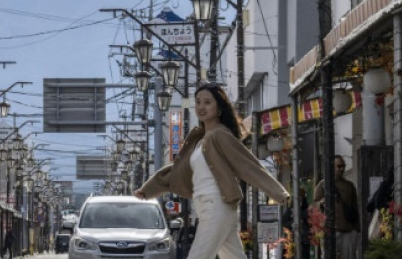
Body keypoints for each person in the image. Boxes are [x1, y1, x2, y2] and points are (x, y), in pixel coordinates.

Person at [134, 83, 290, 258]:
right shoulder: (200, 140)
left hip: (216, 205)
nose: (201, 107)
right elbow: (178, 171)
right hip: (208, 206)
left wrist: (279, 193)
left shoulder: (220, 134)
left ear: (219, 107)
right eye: (198, 102)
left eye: (207, 102)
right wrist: (148, 190)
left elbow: (248, 165)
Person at [313, 156, 360, 258]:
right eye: (339, 166)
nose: (342, 169)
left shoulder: (349, 185)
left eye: (343, 166)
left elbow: (355, 206)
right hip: (329, 231)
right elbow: (314, 206)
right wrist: (321, 203)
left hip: (348, 230)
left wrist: (356, 230)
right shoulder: (323, 184)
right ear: (332, 167)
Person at [366, 161, 402, 237]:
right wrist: (392, 207)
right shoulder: (386, 185)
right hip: (389, 223)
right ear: (394, 170)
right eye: (400, 168)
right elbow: (378, 203)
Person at [282, 187, 310, 259]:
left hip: (303, 241)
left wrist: (303, 222)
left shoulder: (306, 211)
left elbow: (310, 225)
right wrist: (291, 224)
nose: (299, 202)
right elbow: (283, 223)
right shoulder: (289, 211)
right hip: (291, 241)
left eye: (300, 200)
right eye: (297, 200)